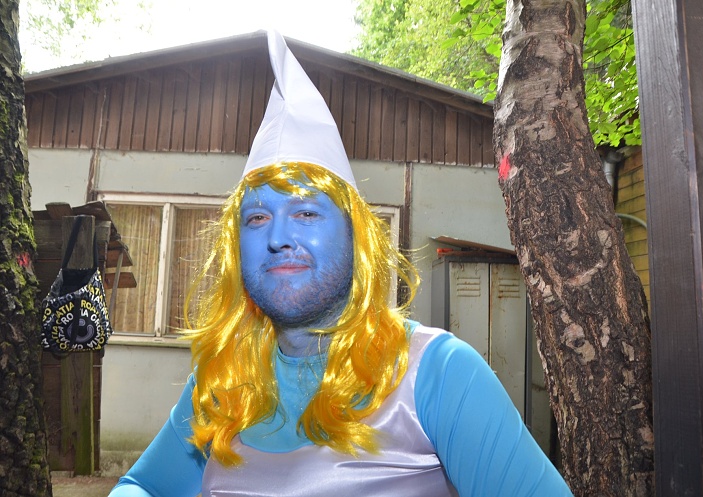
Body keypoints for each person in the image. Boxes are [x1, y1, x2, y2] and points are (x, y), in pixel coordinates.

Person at [109, 30, 573, 497]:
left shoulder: (438, 373)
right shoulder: (221, 381)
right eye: (257, 218)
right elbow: (143, 486)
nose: (277, 237)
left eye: (306, 213)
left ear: (356, 238)